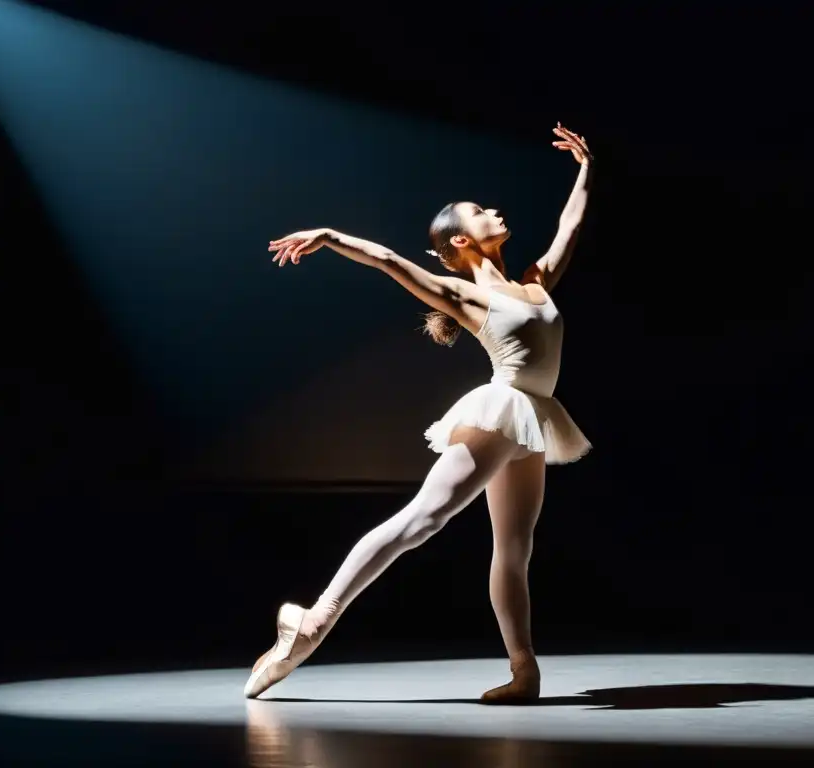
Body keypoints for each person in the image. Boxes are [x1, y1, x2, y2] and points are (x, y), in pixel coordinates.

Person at [245, 123, 594, 703]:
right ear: (461, 241)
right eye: (479, 211)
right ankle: (312, 621)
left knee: (514, 550)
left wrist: (586, 169)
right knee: (424, 519)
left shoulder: (534, 283)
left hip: (532, 420)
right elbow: (388, 261)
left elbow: (572, 225)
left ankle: (524, 672)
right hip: (500, 409)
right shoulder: (466, 296)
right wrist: (329, 235)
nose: (493, 211)